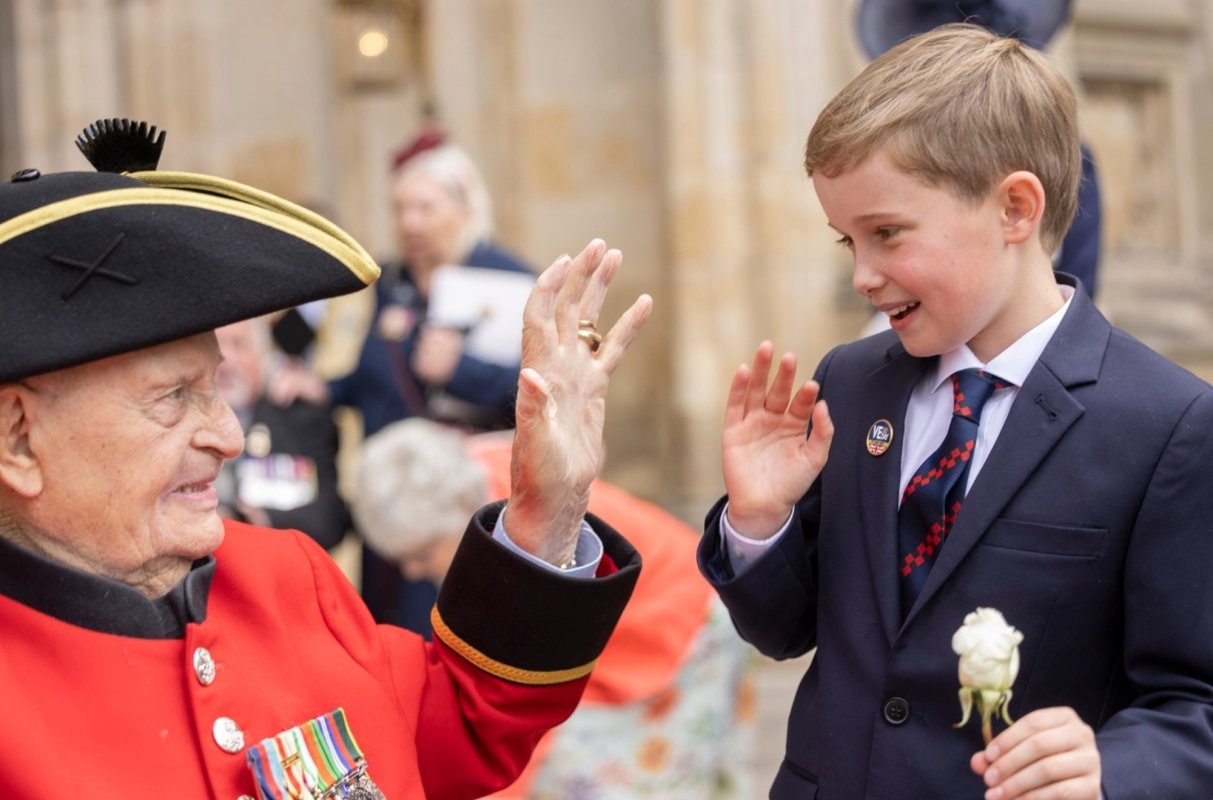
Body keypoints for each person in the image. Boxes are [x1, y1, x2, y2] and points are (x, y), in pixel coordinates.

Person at [0, 117, 652, 798]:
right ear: (19, 437)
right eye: (172, 396)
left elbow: (458, 719)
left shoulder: (286, 577)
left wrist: (548, 510)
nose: (225, 435)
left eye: (215, 385)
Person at [698, 25, 1213, 800]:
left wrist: (1114, 767)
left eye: (886, 235)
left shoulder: (1167, 423)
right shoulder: (853, 381)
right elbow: (784, 628)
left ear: (1013, 208)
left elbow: (1194, 703)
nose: (863, 276)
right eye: (847, 242)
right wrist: (758, 521)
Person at [352, 420, 756, 800]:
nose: (413, 570)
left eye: (421, 554)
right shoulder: (475, 475)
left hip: (679, 618)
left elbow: (522, 694)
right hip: (641, 607)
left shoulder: (518, 540)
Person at [326, 127, 537, 634]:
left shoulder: (508, 278)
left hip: (465, 495)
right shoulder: (391, 283)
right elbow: (376, 376)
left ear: (464, 207)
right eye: (400, 209)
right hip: (393, 484)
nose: (409, 223)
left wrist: (460, 370)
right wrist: (323, 390)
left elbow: (539, 394)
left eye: (425, 208)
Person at [214, 315, 351, 550]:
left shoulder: (299, 418)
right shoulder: (180, 425)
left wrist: (254, 520)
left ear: (263, 357)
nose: (226, 361)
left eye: (238, 345)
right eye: (215, 348)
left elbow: (329, 521)